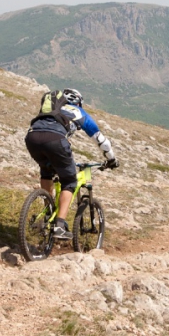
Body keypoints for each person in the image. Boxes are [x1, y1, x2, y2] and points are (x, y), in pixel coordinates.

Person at [25, 88, 119, 239]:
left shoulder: (52, 109)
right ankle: (60, 226)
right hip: (55, 139)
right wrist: (111, 159)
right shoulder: (77, 111)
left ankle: (47, 215)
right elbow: (101, 140)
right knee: (69, 181)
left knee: (47, 171)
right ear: (78, 102)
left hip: (32, 137)